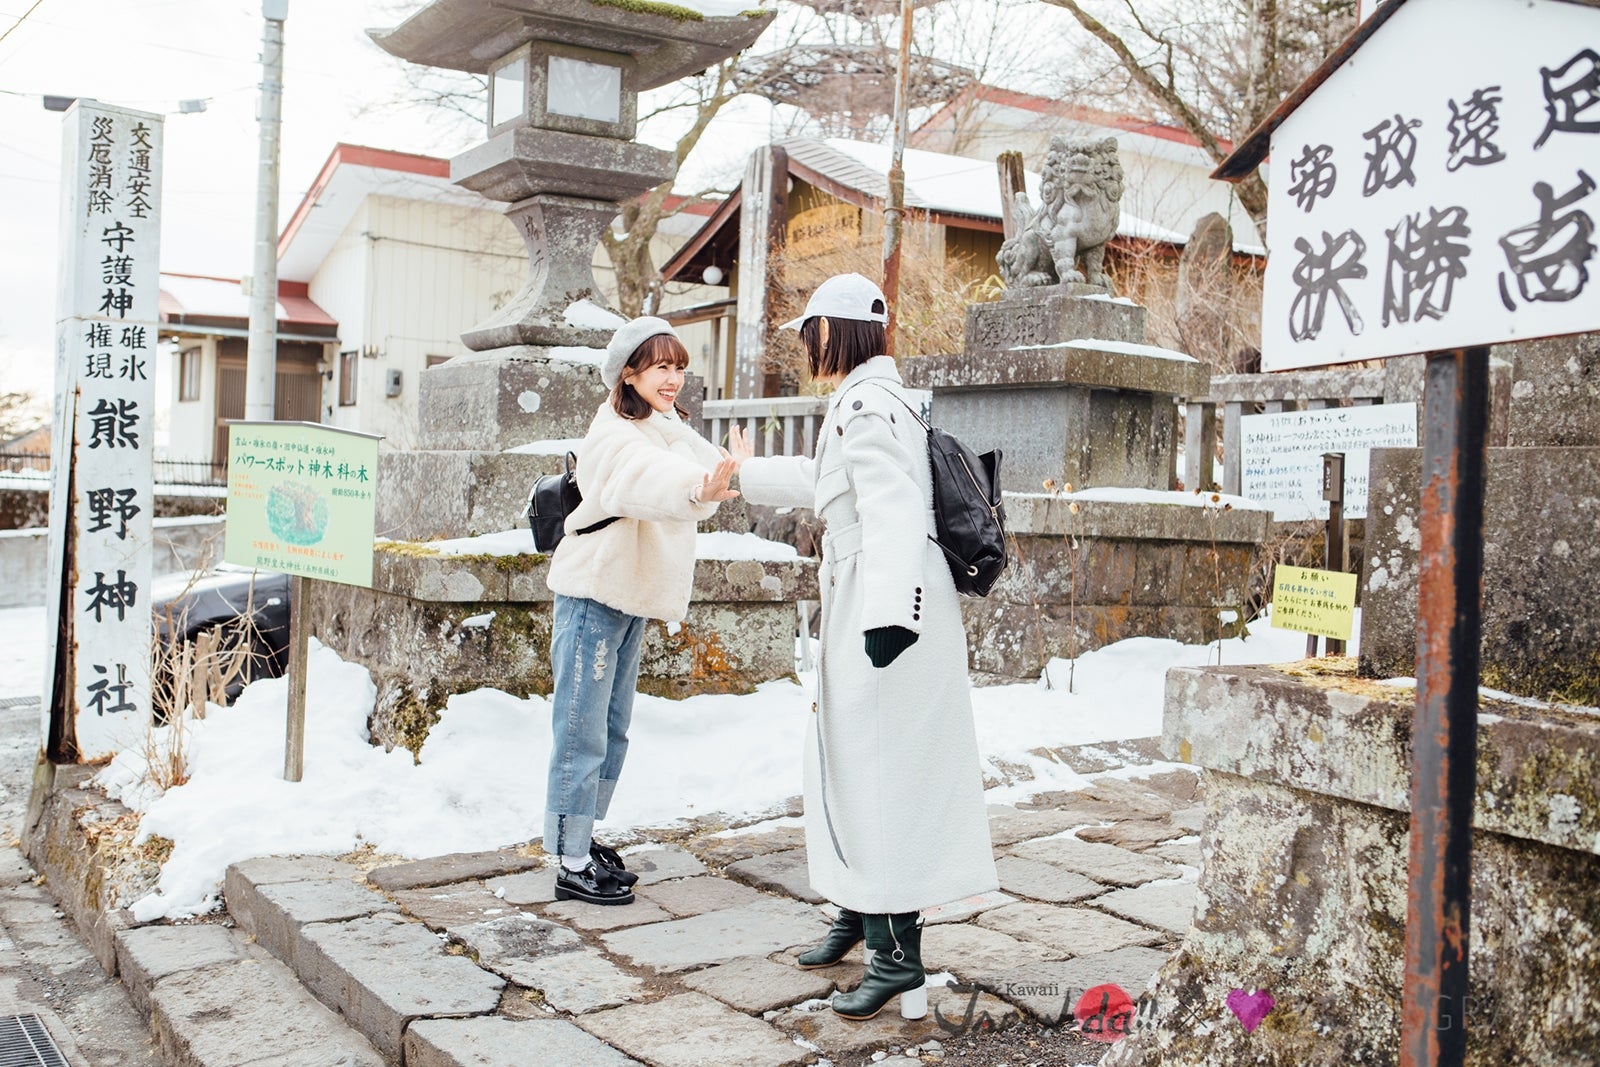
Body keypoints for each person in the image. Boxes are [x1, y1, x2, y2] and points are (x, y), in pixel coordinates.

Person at [730, 274, 997, 1019]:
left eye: (809, 329)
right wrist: (740, 475)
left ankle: (895, 956)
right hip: (873, 594)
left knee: (880, 772)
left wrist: (887, 616)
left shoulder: (868, 403)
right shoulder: (871, 397)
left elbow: (893, 509)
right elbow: (829, 484)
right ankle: (857, 905)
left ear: (835, 330)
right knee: (850, 760)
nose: (805, 343)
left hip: (885, 603)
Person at [543, 317, 738, 906]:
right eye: (661, 367)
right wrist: (699, 488)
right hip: (593, 596)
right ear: (630, 372)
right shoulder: (615, 433)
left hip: (626, 598)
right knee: (581, 731)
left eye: (679, 367)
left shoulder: (662, 425)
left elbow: (698, 462)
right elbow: (644, 477)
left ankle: (584, 837)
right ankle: (569, 858)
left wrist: (726, 472)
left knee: (612, 729)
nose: (673, 378)